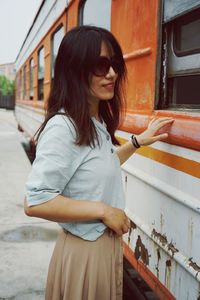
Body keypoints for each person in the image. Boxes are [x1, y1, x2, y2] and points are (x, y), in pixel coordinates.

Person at [24, 25, 174, 300]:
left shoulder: (94, 123)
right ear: (75, 70)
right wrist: (104, 210)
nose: (112, 73)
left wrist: (138, 142)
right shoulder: (64, 127)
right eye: (100, 65)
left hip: (102, 249)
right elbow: (36, 201)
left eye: (114, 63)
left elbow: (100, 166)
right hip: (85, 254)